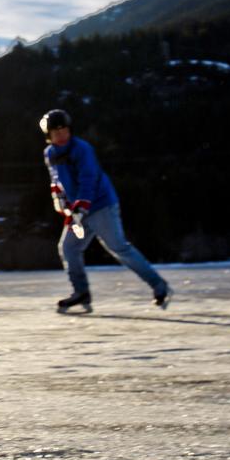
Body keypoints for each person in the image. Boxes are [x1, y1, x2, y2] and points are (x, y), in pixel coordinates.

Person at [40, 109, 171, 313]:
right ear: (48, 135)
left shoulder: (82, 149)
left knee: (119, 248)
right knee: (69, 248)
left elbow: (88, 179)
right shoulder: (50, 153)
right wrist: (60, 202)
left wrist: (81, 207)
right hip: (78, 210)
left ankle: (160, 286)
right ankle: (81, 292)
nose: (61, 135)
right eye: (55, 132)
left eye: (63, 130)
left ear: (69, 129)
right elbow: (56, 181)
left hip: (101, 206)